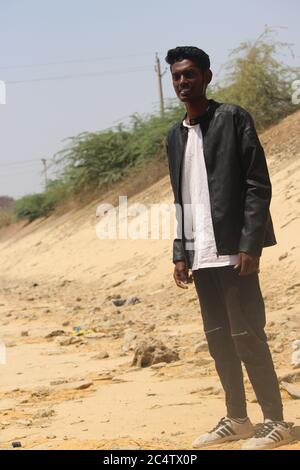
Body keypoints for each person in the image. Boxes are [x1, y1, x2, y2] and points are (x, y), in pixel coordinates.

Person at [165, 46, 293, 450]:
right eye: (177, 77)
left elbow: (257, 184)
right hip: (200, 253)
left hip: (235, 251)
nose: (183, 82)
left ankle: (276, 422)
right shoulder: (175, 136)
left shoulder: (233, 118)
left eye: (190, 74)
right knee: (219, 339)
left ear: (206, 76)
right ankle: (237, 418)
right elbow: (180, 197)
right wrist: (180, 251)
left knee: (247, 336)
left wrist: (250, 243)